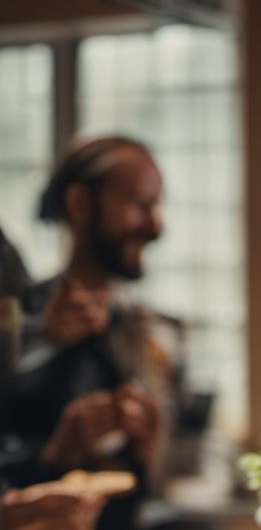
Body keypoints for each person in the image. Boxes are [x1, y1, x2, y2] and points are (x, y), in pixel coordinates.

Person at [7, 136, 176, 497]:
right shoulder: (18, 320)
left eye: (157, 205)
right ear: (80, 204)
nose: (156, 226)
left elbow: (160, 481)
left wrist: (149, 451)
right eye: (139, 203)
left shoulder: (145, 332)